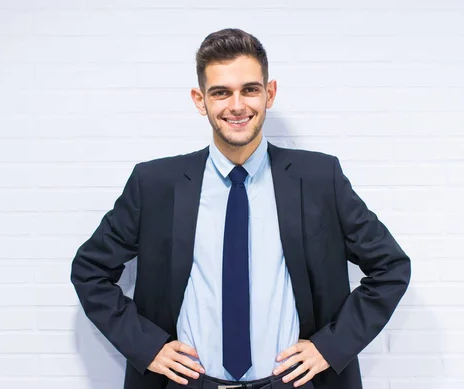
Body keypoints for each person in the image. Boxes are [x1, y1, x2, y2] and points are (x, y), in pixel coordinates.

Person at [70, 28, 411, 389]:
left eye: (250, 89)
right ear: (200, 100)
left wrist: (330, 347)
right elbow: (90, 269)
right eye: (221, 93)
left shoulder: (319, 178)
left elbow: (391, 266)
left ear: (270, 93)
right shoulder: (154, 184)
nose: (237, 106)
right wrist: (146, 346)